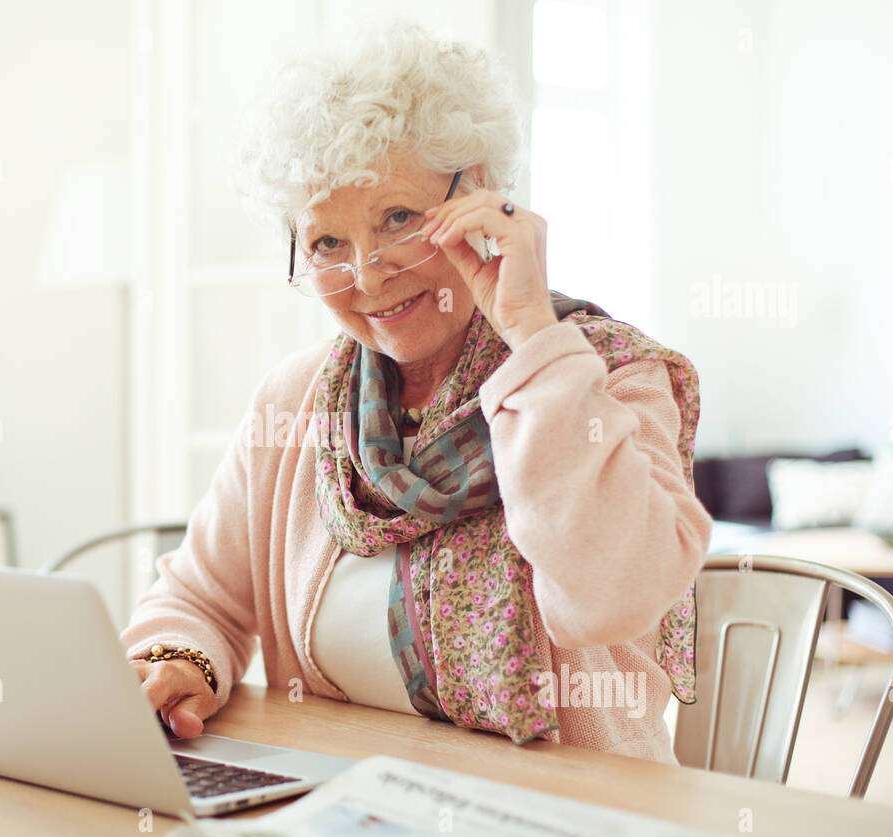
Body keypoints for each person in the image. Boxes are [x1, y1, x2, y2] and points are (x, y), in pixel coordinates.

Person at [120, 21, 712, 763]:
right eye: (328, 243)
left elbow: (614, 595)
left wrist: (532, 334)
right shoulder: (298, 399)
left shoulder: (608, 376)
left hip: (572, 817)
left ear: (483, 192)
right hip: (341, 809)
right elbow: (199, 596)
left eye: (397, 218)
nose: (366, 277)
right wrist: (182, 662)